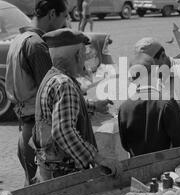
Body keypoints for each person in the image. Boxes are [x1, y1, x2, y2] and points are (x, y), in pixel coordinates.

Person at [32, 28, 121, 181]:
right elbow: (63, 131)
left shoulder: (52, 77)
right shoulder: (65, 84)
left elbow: (61, 110)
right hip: (62, 172)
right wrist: (98, 158)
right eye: (84, 53)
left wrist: (94, 105)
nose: (85, 58)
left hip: (48, 167)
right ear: (77, 55)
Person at [5, 0, 68, 186]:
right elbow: (51, 94)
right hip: (38, 135)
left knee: (31, 191)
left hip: (25, 130)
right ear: (52, 15)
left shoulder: (18, 40)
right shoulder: (37, 45)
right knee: (45, 193)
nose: (64, 23)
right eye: (63, 16)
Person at [118, 53, 180, 157]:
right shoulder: (166, 102)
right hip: (167, 164)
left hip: (138, 165)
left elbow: (125, 145)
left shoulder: (124, 108)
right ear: (154, 73)